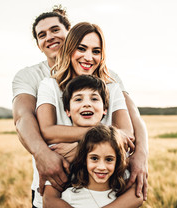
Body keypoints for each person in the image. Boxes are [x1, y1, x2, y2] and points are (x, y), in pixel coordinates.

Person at [12, 6, 148, 207]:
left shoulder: (111, 81)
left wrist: (81, 149)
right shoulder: (41, 81)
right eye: (42, 35)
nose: (50, 37)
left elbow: (131, 125)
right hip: (59, 182)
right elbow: (32, 123)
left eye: (55, 30)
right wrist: (106, 138)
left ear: (69, 35)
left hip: (110, 191)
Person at [42, 75, 142, 207]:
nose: (87, 104)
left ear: (105, 110)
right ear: (67, 111)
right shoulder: (62, 151)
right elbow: (49, 199)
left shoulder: (114, 144)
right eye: (78, 99)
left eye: (94, 98)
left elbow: (137, 195)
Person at [45, 124, 142, 208]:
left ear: (117, 161)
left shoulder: (122, 197)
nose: (101, 167)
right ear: (84, 160)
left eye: (109, 159)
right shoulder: (69, 196)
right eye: (94, 158)